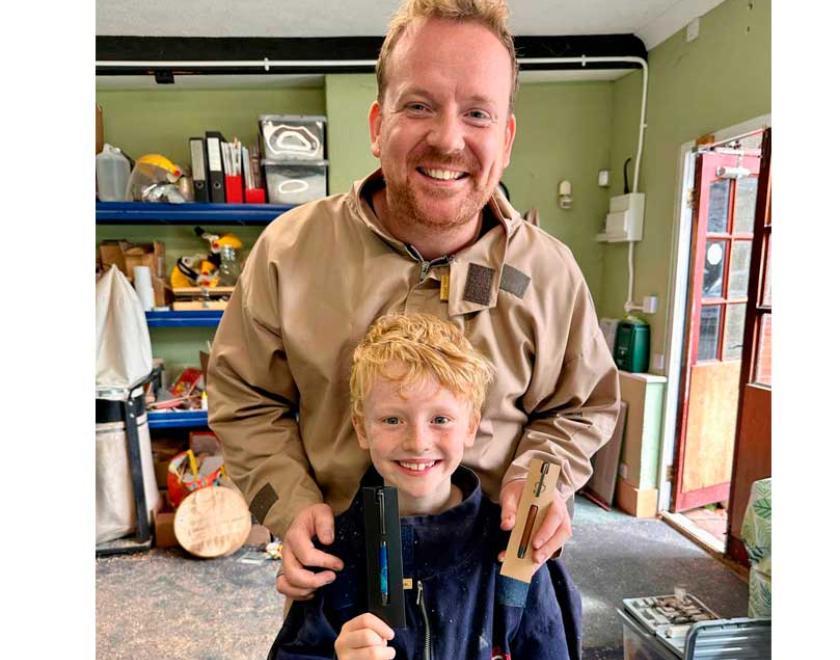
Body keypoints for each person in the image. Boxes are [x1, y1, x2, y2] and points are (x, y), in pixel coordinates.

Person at [207, 0, 619, 602]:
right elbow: (245, 400)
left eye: (477, 113)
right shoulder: (288, 253)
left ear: (505, 139)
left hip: (497, 579)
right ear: (378, 125)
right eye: (419, 106)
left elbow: (580, 408)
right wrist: (288, 505)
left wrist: (540, 484)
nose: (448, 139)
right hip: (341, 575)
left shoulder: (549, 273)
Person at [269, 313, 583, 659]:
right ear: (361, 428)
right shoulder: (333, 555)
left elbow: (546, 646)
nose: (418, 443)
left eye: (440, 419)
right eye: (392, 419)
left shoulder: (511, 552)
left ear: (471, 426)